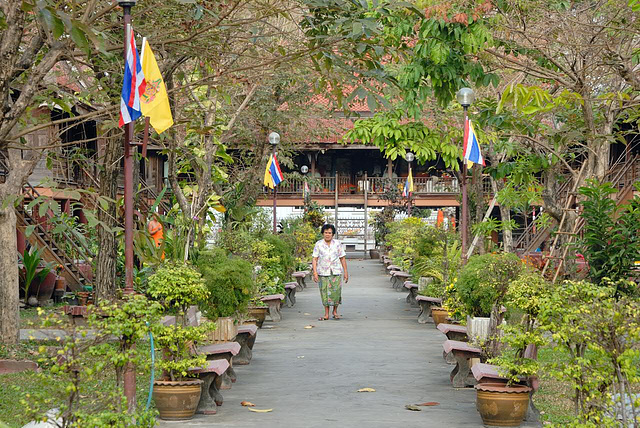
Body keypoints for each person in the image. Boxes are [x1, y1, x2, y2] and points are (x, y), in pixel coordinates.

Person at [312, 224, 349, 320]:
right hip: (323, 272)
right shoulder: (318, 244)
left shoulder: (337, 244)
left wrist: (346, 272)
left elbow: (342, 258)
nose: (327, 235)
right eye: (325, 233)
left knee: (336, 292)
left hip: (336, 271)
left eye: (329, 233)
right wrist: (315, 273)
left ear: (333, 234)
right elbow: (314, 259)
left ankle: (335, 311)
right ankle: (326, 313)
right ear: (322, 233)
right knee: (324, 292)